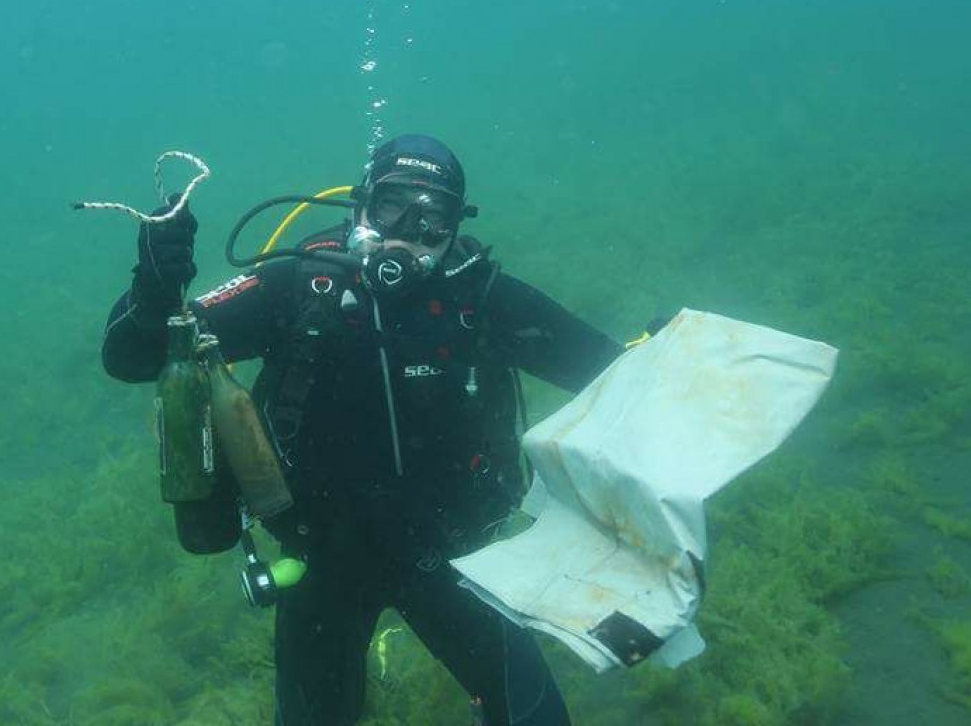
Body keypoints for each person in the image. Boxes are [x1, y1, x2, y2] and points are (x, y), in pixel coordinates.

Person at [102, 134, 624, 725]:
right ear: (360, 205)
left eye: (432, 217)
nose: (408, 229)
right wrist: (152, 291)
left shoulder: (479, 297)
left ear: (456, 226)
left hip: (456, 558)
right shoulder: (297, 286)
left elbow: (612, 371)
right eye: (392, 206)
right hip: (322, 562)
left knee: (537, 719)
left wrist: (669, 351)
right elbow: (133, 358)